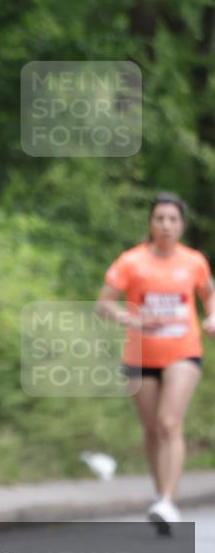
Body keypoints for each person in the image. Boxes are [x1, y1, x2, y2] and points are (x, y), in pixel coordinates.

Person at [96, 192, 215, 533]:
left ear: (182, 225)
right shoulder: (131, 261)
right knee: (152, 429)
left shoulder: (194, 261)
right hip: (140, 356)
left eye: (172, 219)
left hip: (183, 352)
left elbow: (209, 293)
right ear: (150, 224)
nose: (165, 225)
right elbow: (103, 305)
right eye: (159, 218)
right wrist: (134, 319)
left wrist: (212, 315)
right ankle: (162, 497)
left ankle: (167, 500)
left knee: (168, 423)